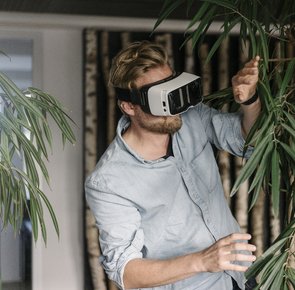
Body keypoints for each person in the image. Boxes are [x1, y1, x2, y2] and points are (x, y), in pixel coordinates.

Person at [85, 41, 261, 290]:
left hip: (239, 277)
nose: (175, 108)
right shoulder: (108, 182)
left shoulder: (191, 117)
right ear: (129, 107)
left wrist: (250, 102)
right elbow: (126, 272)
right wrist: (203, 260)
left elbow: (247, 140)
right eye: (161, 99)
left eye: (173, 90)